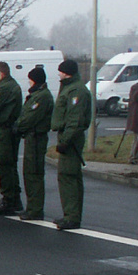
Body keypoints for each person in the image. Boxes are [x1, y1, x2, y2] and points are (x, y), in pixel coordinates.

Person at [51, 58, 93, 230]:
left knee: (69, 176)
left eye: (60, 71)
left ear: (66, 72)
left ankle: (72, 217)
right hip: (68, 136)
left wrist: (65, 141)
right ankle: (69, 214)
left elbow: (74, 120)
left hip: (71, 139)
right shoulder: (70, 87)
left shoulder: (76, 91)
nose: (59, 74)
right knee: (67, 176)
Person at [15, 66, 55, 222]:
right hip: (32, 137)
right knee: (29, 172)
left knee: (34, 173)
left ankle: (35, 209)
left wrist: (18, 127)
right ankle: (32, 207)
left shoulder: (42, 97)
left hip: (37, 137)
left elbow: (31, 117)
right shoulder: (37, 95)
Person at [0, 61, 25, 215]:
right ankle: (14, 198)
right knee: (10, 164)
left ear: (1, 74)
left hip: (6, 129)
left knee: (5, 164)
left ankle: (9, 199)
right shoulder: (11, 86)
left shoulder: (5, 87)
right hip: (9, 129)